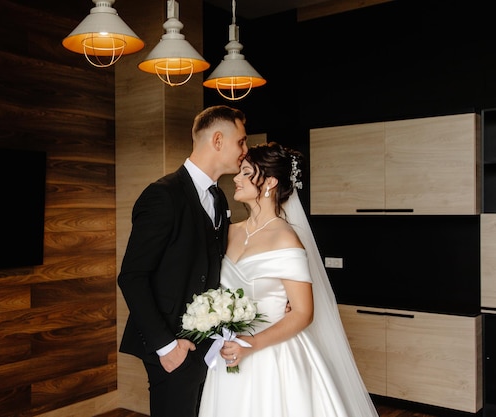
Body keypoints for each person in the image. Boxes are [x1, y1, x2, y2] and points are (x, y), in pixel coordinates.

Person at [198, 142, 379, 417]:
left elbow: (303, 313)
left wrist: (251, 344)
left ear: (269, 182)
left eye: (246, 173)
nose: (236, 178)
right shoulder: (230, 232)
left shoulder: (285, 237)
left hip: (272, 356)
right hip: (229, 352)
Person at [117, 105, 248, 417]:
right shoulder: (162, 195)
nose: (245, 149)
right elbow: (132, 276)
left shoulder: (219, 197)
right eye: (241, 141)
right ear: (218, 140)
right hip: (172, 346)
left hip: (207, 345)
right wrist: (167, 346)